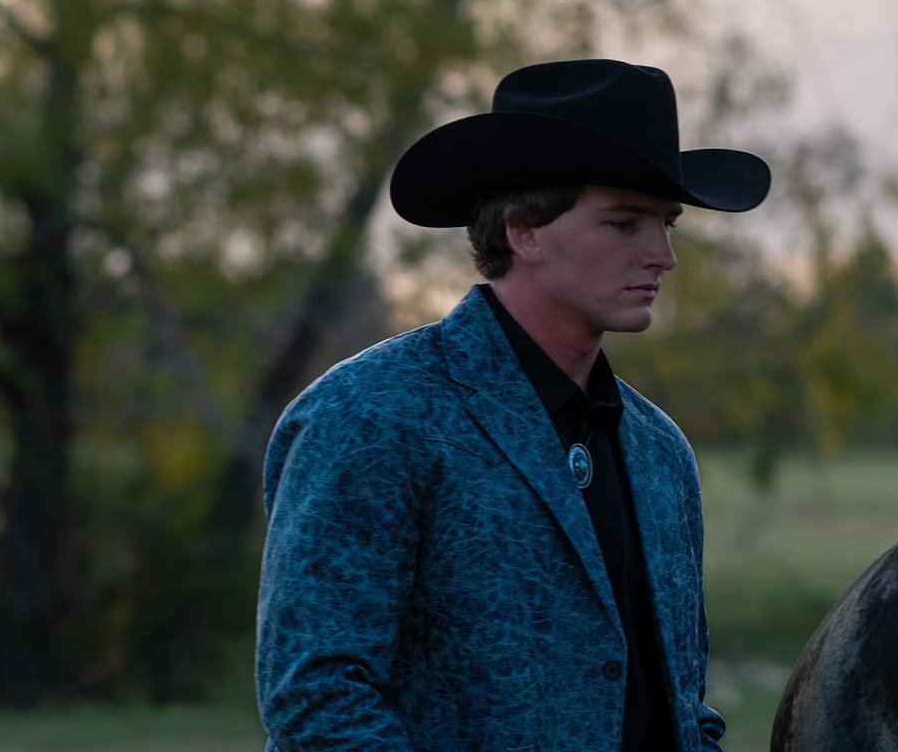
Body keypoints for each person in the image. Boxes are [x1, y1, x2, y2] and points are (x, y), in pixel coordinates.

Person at [254, 58, 771, 751]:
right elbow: (318, 703)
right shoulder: (370, 415)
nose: (662, 255)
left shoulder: (660, 450)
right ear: (524, 230)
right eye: (625, 223)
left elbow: (681, 707)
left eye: (666, 224)